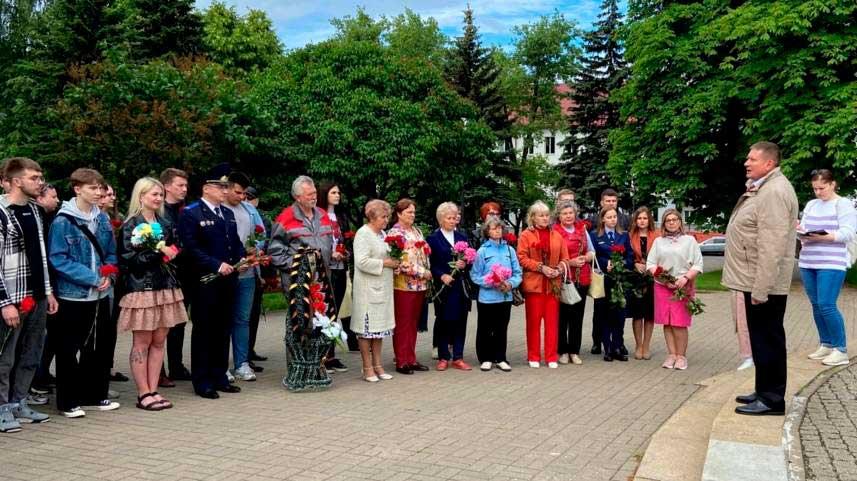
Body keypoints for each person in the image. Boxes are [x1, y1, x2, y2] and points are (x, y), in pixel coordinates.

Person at [723, 141, 798, 416]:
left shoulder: (774, 191)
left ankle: (772, 399)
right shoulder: (764, 188)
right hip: (754, 278)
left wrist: (761, 288)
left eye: (752, 159)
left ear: (769, 163)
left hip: (762, 282)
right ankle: (763, 389)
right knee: (761, 338)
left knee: (768, 339)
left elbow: (772, 244)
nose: (746, 162)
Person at [48, 168, 120, 417]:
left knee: (96, 347)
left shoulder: (101, 219)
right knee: (68, 348)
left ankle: (94, 394)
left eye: (100, 188)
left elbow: (111, 252)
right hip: (72, 295)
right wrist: (91, 278)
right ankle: (68, 401)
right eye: (92, 188)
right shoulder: (62, 221)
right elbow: (58, 259)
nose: (98, 192)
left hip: (99, 294)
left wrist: (108, 273)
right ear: (77, 189)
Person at [117, 177, 187, 411]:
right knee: (142, 342)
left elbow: (176, 246)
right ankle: (142, 392)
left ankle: (154, 388)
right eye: (153, 194)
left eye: (160, 194)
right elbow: (129, 260)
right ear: (141, 197)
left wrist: (171, 251)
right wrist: (158, 252)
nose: (158, 198)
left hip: (165, 286)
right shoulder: (130, 225)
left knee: (159, 341)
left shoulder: (165, 223)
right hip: (142, 289)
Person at [0, 158, 58, 432]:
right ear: (15, 181)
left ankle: (19, 401)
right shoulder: (2, 213)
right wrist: (5, 303)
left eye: (40, 176)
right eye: (34, 177)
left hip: (36, 296)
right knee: (5, 357)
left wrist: (47, 291)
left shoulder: (35, 211)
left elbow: (41, 255)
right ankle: (1, 408)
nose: (40, 182)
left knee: (32, 352)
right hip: (11, 298)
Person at [178, 165, 246, 400]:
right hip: (204, 281)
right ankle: (202, 380)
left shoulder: (226, 213)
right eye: (221, 186)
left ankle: (219, 375)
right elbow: (191, 248)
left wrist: (241, 260)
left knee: (223, 328)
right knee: (204, 329)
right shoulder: (191, 213)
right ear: (207, 188)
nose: (225, 191)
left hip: (227, 280)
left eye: (227, 187)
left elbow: (234, 243)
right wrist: (216, 264)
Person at [798, 169, 855, 367]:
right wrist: (802, 233)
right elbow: (803, 227)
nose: (818, 192)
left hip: (832, 262)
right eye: (815, 188)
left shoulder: (843, 204)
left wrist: (826, 236)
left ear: (832, 184)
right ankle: (826, 343)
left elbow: (848, 233)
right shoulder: (812, 205)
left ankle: (840, 349)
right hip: (808, 261)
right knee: (816, 305)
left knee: (827, 304)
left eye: (822, 188)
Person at [221, 171, 265, 383]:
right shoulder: (219, 209)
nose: (241, 197)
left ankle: (242, 363)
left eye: (244, 193)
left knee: (242, 319)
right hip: (226, 272)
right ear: (227, 188)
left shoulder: (249, 210)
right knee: (222, 320)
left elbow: (261, 234)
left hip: (247, 273)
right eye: (238, 192)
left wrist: (254, 250)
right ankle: (221, 365)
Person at [646, 209, 703, 370]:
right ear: (664, 223)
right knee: (667, 322)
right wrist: (663, 278)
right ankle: (671, 354)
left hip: (682, 285)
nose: (671, 222)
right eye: (668, 220)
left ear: (680, 221)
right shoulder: (659, 242)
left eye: (674, 219)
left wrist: (685, 278)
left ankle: (681, 356)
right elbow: (650, 263)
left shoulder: (689, 241)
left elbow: (698, 264)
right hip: (663, 286)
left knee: (679, 322)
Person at [517, 201, 570, 368]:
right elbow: (522, 257)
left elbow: (565, 258)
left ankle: (551, 356)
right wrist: (541, 268)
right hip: (535, 285)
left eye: (547, 215)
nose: (545, 218)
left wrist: (559, 269)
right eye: (541, 215)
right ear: (532, 217)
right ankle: (533, 355)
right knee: (533, 322)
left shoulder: (557, 235)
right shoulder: (526, 235)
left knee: (552, 323)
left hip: (553, 284)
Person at [352, 200, 399, 382]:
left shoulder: (383, 234)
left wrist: (395, 262)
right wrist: (385, 263)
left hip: (383, 288)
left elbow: (387, 255)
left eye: (387, 216)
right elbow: (361, 262)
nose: (386, 220)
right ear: (372, 217)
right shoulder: (363, 234)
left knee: (379, 329)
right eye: (383, 217)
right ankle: (367, 367)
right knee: (366, 330)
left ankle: (378, 365)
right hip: (367, 289)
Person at [470, 216, 522, 372]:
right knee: (485, 328)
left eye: (499, 228)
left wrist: (510, 283)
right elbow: (475, 275)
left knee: (501, 328)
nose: (497, 231)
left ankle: (500, 357)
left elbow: (518, 273)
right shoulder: (482, 251)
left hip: (505, 297)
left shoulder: (509, 250)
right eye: (493, 228)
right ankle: (485, 358)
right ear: (487, 231)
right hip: (487, 298)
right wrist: (491, 282)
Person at [387, 199, 432, 375]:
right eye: (408, 212)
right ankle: (401, 360)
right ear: (399, 214)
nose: (412, 215)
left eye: (413, 212)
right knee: (403, 323)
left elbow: (424, 251)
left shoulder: (416, 231)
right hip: (404, 284)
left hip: (420, 285)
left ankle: (411, 358)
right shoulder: (395, 233)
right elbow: (398, 262)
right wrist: (421, 271)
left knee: (413, 322)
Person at [427, 202, 473, 371]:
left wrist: (465, 263)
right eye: (449, 218)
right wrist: (441, 275)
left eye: (455, 218)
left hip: (459, 286)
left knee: (461, 320)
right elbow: (430, 264)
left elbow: (469, 259)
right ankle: (443, 356)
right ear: (440, 219)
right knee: (444, 321)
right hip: (444, 288)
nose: (453, 221)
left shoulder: (462, 237)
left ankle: (458, 357)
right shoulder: (433, 239)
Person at [269, 176, 334, 295]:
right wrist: (299, 265)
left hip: (323, 280)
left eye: (315, 193)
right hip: (298, 283)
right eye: (309, 194)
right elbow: (275, 253)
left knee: (325, 313)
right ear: (298, 197)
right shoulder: (285, 219)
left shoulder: (323, 214)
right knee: (302, 314)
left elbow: (329, 243)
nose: (314, 197)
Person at [157, 168, 192, 385]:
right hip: (164, 273)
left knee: (179, 320)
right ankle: (158, 371)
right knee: (161, 324)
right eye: (180, 185)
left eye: (186, 185)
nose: (184, 189)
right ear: (167, 186)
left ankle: (176, 365)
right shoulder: (159, 211)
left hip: (183, 273)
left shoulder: (184, 210)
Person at [587, 188, 630, 355]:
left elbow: (629, 254)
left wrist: (622, 264)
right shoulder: (594, 232)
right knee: (601, 313)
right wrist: (606, 264)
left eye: (614, 201)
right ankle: (600, 343)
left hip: (619, 280)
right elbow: (594, 255)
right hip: (603, 279)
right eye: (608, 201)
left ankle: (618, 344)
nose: (613, 218)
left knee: (619, 313)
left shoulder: (624, 225)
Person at [317, 181, 355, 365]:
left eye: (338, 192)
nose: (337, 195)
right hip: (326, 268)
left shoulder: (341, 216)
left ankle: (330, 355)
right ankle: (323, 354)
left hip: (340, 267)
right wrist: (329, 252)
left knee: (336, 310)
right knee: (325, 310)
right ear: (325, 194)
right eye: (333, 192)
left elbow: (346, 239)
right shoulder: (318, 215)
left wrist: (346, 252)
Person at [553, 200, 594, 365]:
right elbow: (553, 257)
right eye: (564, 213)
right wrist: (570, 262)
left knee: (577, 316)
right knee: (563, 317)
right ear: (559, 216)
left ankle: (574, 351)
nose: (568, 216)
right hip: (563, 278)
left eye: (571, 213)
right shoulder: (554, 231)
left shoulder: (582, 229)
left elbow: (592, 251)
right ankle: (562, 351)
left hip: (581, 278)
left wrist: (586, 257)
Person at [99, 183, 128, 386]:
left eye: (113, 193)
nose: (112, 197)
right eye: (108, 193)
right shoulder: (93, 219)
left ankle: (106, 368)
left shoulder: (119, 219)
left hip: (117, 276)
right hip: (101, 278)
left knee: (111, 327)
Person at [243, 185, 272, 366]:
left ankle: (249, 350)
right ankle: (243, 354)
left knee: (253, 315)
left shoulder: (260, 218)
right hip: (243, 268)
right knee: (243, 317)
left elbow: (264, 240)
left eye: (250, 197)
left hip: (257, 268)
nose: (246, 200)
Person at [628, 207, 659, 360]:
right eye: (639, 218)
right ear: (635, 220)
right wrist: (634, 264)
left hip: (652, 278)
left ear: (649, 220)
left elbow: (661, 255)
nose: (642, 221)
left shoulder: (657, 236)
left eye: (645, 218)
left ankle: (646, 345)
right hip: (636, 278)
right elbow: (627, 256)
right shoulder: (630, 236)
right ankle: (638, 344)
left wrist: (652, 267)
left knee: (649, 314)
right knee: (637, 313)